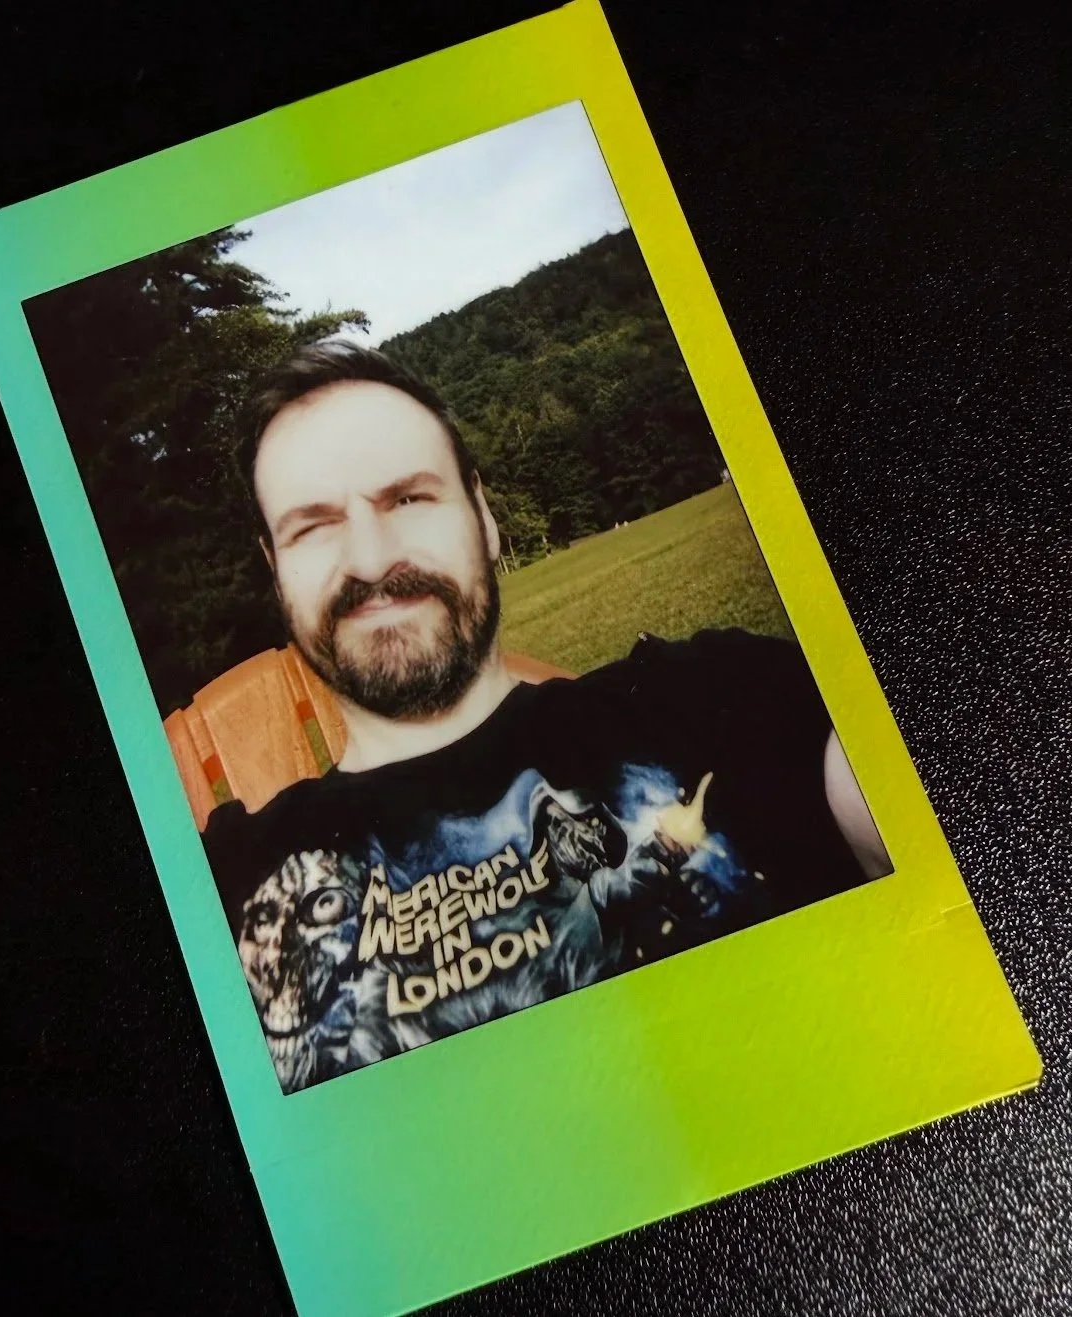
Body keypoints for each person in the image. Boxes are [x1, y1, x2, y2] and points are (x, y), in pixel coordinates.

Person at [201, 341, 890, 1093]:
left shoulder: (709, 698)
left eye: (407, 498)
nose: (369, 558)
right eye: (313, 525)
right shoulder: (217, 889)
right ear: (276, 571)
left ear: (485, 518)